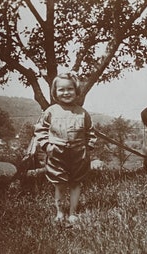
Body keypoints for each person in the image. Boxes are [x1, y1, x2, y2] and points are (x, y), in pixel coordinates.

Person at [34, 72, 96, 227]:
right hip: (57, 154)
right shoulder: (50, 111)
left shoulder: (82, 113)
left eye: (70, 89)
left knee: (76, 183)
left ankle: (73, 213)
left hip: (78, 154)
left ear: (76, 91)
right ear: (55, 92)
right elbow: (40, 130)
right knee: (59, 184)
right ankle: (60, 212)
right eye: (61, 89)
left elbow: (90, 132)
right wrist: (47, 146)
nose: (66, 92)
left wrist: (88, 148)